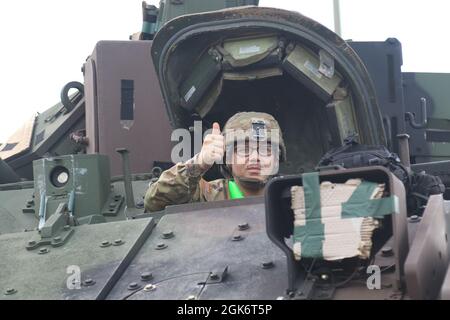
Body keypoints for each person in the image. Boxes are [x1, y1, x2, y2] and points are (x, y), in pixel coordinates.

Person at [144, 112, 286, 212]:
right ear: (228, 158)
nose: (255, 157)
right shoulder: (207, 195)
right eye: (244, 150)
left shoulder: (291, 195)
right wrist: (199, 163)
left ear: (276, 159)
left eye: (266, 150)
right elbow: (155, 203)